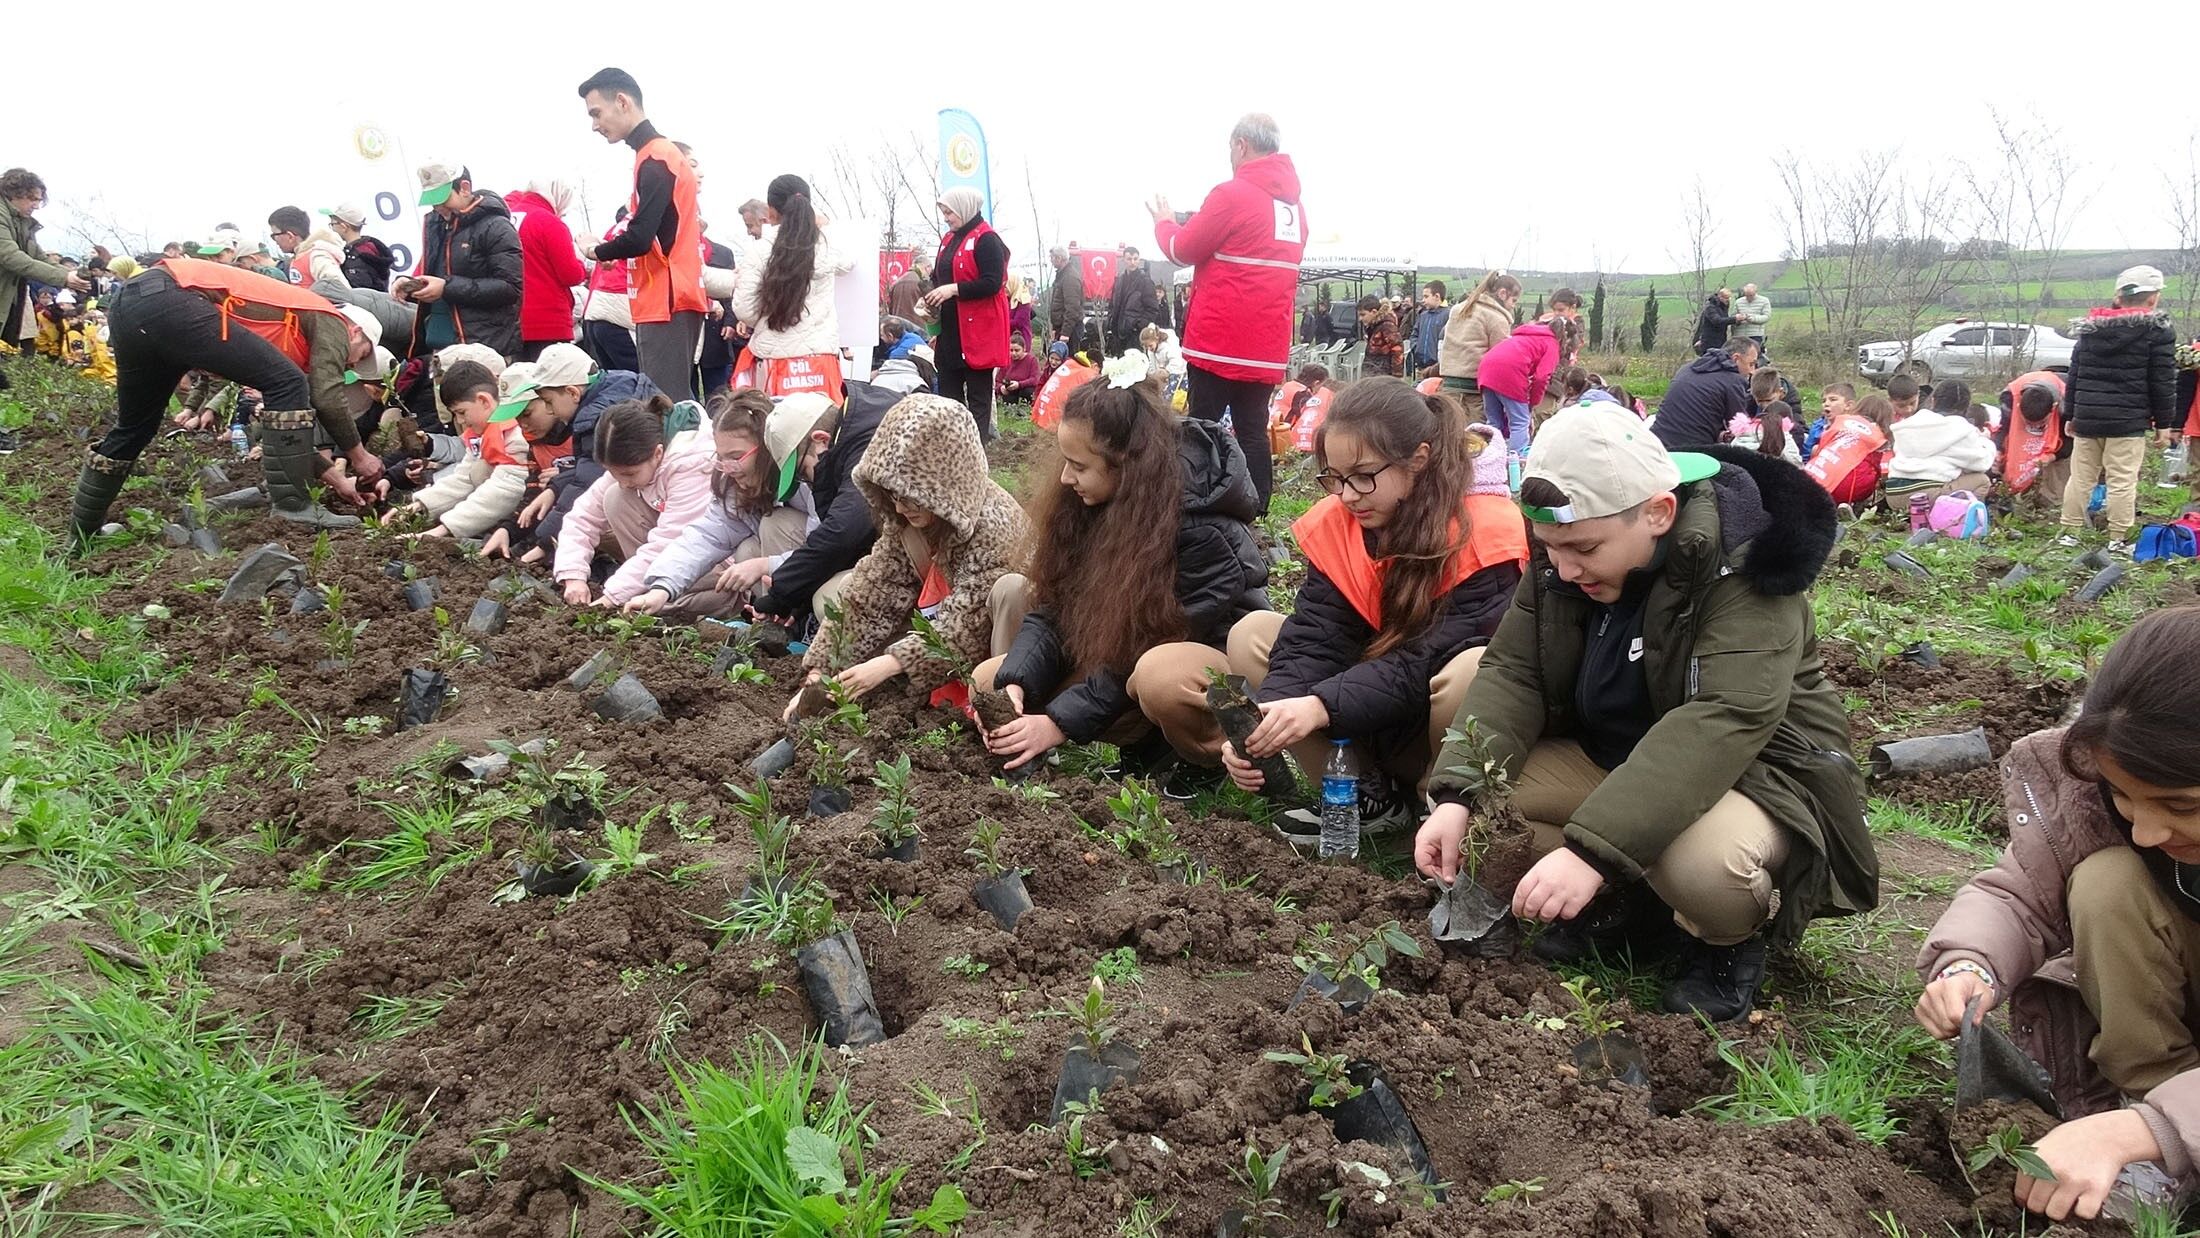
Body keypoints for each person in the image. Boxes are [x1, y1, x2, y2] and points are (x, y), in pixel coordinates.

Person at [1416, 404, 1876, 1022]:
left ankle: (1723, 944)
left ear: (1658, 513)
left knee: (1704, 866)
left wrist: (1591, 852)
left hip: (1755, 776)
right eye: (1552, 548)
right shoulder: (1566, 556)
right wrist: (1456, 795)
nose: (1564, 568)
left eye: (1584, 548)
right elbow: (1513, 671)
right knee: (1486, 810)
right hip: (1617, 757)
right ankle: (1635, 906)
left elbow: (1723, 719)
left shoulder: (1743, 567)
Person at [1916, 607, 2200, 1224]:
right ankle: (2154, 1114)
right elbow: (2018, 894)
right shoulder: (2097, 803)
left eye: (2181, 805)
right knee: (2105, 880)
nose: (2147, 831)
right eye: (2124, 796)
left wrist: (2131, 1134)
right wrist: (1971, 965)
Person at [1206, 380, 1528, 822]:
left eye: (1362, 476)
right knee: (1253, 635)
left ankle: (1439, 804)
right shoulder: (1345, 520)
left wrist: (1319, 707)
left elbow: (1424, 661)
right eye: (1334, 478)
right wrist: (1268, 719)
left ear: (1419, 459)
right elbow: (1316, 638)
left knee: (1470, 669)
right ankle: (1363, 797)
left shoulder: (1487, 533)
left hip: (1430, 729)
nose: (1347, 495)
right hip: (1364, 708)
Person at [979, 368, 1267, 773]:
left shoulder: (1202, 530)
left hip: (1207, 675)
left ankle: (1203, 760)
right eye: (1065, 461)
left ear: (1127, 465)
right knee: (989, 679)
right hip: (1123, 665)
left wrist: (1058, 723)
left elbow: (1145, 645)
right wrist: (1015, 683)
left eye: (1079, 466)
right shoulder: (1087, 507)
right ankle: (1145, 749)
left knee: (1160, 676)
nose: (1065, 477)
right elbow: (1053, 610)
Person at [69, 257, 387, 542]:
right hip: (174, 295)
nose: (351, 365)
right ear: (356, 332)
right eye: (360, 357)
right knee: (288, 382)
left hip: (133, 302)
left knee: (135, 427)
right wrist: (359, 457)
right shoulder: (331, 318)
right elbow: (326, 395)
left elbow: (286, 431)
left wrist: (335, 478)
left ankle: (82, 533)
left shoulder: (294, 330)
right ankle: (293, 505)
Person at [782, 392, 1029, 721]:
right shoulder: (911, 520)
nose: (898, 506)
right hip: (941, 630)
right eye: (893, 494)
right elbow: (872, 593)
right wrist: (819, 674)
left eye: (911, 496)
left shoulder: (998, 526)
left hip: (1004, 643)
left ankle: (1004, 713)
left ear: (944, 486)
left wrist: (887, 664)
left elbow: (968, 628)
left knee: (1012, 589)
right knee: (846, 587)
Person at [1149, 113, 1307, 512]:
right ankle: (1258, 506)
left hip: (1219, 339)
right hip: (1265, 343)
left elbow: (1182, 249)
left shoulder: (1232, 194)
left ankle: (1191, 499)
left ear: (1240, 145)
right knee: (1253, 426)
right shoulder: (1294, 209)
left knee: (1202, 424)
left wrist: (1164, 223)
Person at [627, 389, 820, 618]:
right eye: (722, 458)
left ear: (769, 447)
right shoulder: (735, 485)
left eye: (736, 457)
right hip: (792, 569)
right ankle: (778, 616)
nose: (728, 468)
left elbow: (826, 547)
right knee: (746, 551)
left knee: (775, 524)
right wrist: (661, 589)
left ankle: (804, 619)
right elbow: (706, 536)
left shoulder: (807, 473)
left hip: (821, 567)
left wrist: (766, 565)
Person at [577, 67, 706, 401]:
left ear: (622, 102)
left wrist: (596, 251)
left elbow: (639, 237)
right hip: (667, 295)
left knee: (666, 403)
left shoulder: (657, 157)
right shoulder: (654, 156)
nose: (594, 125)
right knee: (670, 399)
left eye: (596, 113)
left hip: (666, 297)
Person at [549, 394, 714, 606]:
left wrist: (613, 595)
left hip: (715, 563)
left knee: (670, 605)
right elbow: (583, 517)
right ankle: (651, 591)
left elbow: (670, 543)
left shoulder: (693, 464)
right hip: (668, 562)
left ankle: (674, 599)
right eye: (613, 473)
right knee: (615, 497)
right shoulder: (631, 464)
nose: (624, 482)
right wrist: (573, 576)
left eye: (629, 474)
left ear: (657, 453)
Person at [2059, 265, 2179, 555]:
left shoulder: (2090, 329)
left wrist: (2070, 414)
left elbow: (2074, 374)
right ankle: (2118, 538)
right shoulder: (2157, 332)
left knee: (2081, 477)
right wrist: (2165, 424)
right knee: (2122, 480)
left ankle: (2068, 533)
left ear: (2118, 296)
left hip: (2087, 417)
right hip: (2127, 420)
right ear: (2153, 299)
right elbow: (2162, 381)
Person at [733, 174, 854, 402]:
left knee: (775, 430)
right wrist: (823, 225)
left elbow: (745, 311)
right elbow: (850, 261)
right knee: (824, 429)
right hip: (820, 359)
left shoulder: (759, 251)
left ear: (771, 211)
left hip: (774, 359)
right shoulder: (827, 249)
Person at [397, 162, 523, 361]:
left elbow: (509, 288)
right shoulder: (436, 227)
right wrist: (410, 286)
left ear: (465, 188)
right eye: (433, 200)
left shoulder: (497, 226)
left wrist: (446, 288)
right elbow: (437, 280)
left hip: (484, 349)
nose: (437, 207)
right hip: (440, 348)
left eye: (442, 198)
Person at [402, 360, 533, 538]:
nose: (460, 421)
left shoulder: (515, 435)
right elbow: (463, 477)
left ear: (484, 400)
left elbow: (505, 489)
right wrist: (420, 505)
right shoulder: (482, 432)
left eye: (461, 412)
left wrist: (445, 529)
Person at [920, 188, 1010, 441]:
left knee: (978, 397)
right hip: (950, 330)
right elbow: (939, 277)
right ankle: (953, 449)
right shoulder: (948, 239)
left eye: (949, 212)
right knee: (949, 393)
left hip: (978, 332)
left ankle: (976, 452)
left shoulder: (987, 239)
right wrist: (930, 293)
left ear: (964, 207)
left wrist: (953, 289)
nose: (946, 218)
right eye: (944, 212)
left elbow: (992, 283)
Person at [2, 169, 90, 402]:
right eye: (32, 198)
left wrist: (69, 275)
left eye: (39, 199)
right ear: (13, 193)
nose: (36, 205)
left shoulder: (21, 222)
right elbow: (11, 257)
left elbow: (37, 257)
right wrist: (63, 279)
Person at [505, 179, 588, 361]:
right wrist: (582, 265)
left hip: (509, 318)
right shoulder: (548, 222)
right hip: (548, 319)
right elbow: (570, 274)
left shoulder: (504, 219)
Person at [1886, 379, 1995, 505]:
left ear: (1933, 401)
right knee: (1982, 480)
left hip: (1894, 495)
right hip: (1926, 496)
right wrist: (1985, 441)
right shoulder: (1961, 428)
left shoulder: (1910, 423)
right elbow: (1982, 464)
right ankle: (1960, 520)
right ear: (1966, 407)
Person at [1476, 316, 1560, 458]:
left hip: (1486, 369)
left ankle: (1488, 460)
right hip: (1509, 372)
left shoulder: (1525, 335)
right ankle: (1515, 464)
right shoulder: (1552, 343)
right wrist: (1532, 404)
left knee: (1493, 423)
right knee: (1520, 422)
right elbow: (1541, 378)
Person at [1653, 336, 1758, 448]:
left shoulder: (1686, 368)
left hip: (1657, 443)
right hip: (1694, 450)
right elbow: (1740, 427)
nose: (1752, 371)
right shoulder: (1733, 381)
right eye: (1751, 364)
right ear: (1736, 359)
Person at [1437, 271, 1519, 402]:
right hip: (1475, 391)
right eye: (1513, 300)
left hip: (1449, 384)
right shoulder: (1497, 318)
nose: (1513, 306)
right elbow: (1501, 358)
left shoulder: (1459, 309)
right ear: (1502, 293)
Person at [1994, 371, 2072, 508]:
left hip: (2058, 440)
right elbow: (2003, 429)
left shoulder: (2067, 403)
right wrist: (1998, 451)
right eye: (2029, 423)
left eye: (2040, 423)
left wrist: (2051, 457)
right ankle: (2016, 498)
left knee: (2058, 470)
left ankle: (2053, 505)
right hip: (2019, 439)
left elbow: (2070, 441)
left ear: (2052, 409)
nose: (2034, 427)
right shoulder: (2010, 398)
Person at [1804, 391, 1894, 508]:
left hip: (1810, 478)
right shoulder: (1879, 435)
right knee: (1870, 472)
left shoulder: (1841, 421)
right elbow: (1877, 467)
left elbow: (1821, 446)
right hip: (1845, 488)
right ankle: (1853, 505)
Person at [580, 209, 639, 372]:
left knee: (616, 381)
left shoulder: (616, 230)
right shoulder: (644, 227)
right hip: (623, 310)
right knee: (642, 383)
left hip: (598, 310)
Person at [1105, 245, 1163, 356]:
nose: (1132, 262)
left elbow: (1153, 309)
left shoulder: (1145, 282)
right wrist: (1111, 319)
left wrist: (1138, 325)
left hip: (1135, 335)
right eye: (1129, 259)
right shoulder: (1119, 280)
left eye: (1135, 259)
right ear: (1124, 260)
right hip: (1117, 332)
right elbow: (1112, 303)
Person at [324, 203, 395, 293]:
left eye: (332, 224)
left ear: (344, 227)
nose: (332, 228)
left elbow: (357, 293)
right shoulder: (372, 247)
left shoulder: (355, 258)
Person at [1047, 246, 1084, 353]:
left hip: (1070, 330)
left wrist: (1065, 333)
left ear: (1059, 258)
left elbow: (1072, 308)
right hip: (1062, 327)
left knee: (1068, 363)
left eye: (1052, 258)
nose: (1051, 260)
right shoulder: (1062, 275)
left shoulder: (1070, 277)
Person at [1357, 295, 1404, 379]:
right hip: (1373, 370)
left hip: (1383, 374)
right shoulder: (1373, 326)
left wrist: (1396, 376)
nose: (1360, 318)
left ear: (1374, 312)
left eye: (1363, 315)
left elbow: (1397, 349)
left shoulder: (1387, 326)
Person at [1410, 280, 1448, 376]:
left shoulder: (1448, 315)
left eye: (1426, 296)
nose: (1423, 300)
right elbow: (1414, 334)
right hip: (1420, 367)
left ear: (1437, 296)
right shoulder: (1422, 315)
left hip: (1438, 369)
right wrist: (1416, 348)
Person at [996, 337, 1041, 404]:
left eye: (1017, 350)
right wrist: (1001, 388)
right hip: (1010, 392)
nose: (1014, 353)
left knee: (1027, 391)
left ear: (1024, 349)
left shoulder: (1031, 360)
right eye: (1011, 350)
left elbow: (1035, 379)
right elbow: (997, 380)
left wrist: (1019, 384)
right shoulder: (1007, 360)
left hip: (1025, 392)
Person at [1732, 282, 1771, 356]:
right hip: (1740, 335)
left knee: (1753, 356)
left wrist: (1752, 319)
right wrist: (1738, 318)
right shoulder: (1738, 302)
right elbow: (1733, 316)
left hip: (1755, 334)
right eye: (1747, 295)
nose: (1749, 297)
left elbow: (1766, 317)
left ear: (1756, 292)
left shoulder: (1764, 301)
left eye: (1751, 295)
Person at [1692, 287, 1734, 355]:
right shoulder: (1710, 307)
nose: (1728, 300)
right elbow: (1717, 321)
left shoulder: (1723, 307)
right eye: (1726, 298)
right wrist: (1735, 319)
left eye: (1729, 298)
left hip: (1720, 339)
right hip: (1709, 341)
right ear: (1720, 296)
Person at [887, 259, 924, 325]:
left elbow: (889, 306)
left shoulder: (896, 283)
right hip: (918, 327)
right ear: (926, 267)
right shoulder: (923, 284)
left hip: (898, 326)